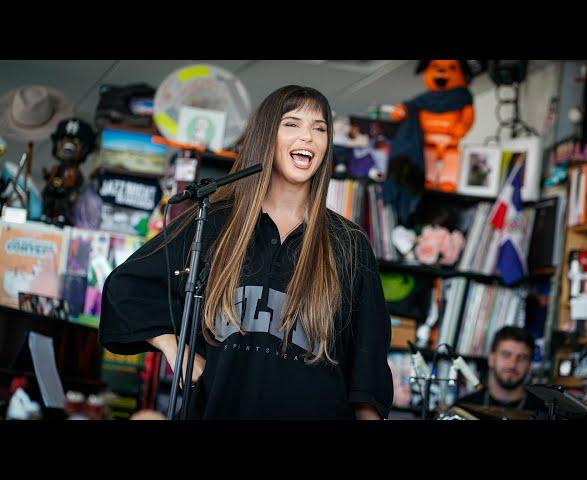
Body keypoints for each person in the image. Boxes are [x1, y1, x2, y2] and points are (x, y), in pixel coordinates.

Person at [98, 85, 394, 420]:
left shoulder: (349, 243)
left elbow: (367, 374)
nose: (308, 137)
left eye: (319, 128)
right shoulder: (214, 223)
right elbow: (124, 289)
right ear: (266, 136)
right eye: (292, 124)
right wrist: (173, 347)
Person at [456, 326, 546, 415]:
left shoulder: (545, 412)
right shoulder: (463, 408)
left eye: (522, 358)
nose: (512, 364)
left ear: (530, 365)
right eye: (506, 355)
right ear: (491, 359)